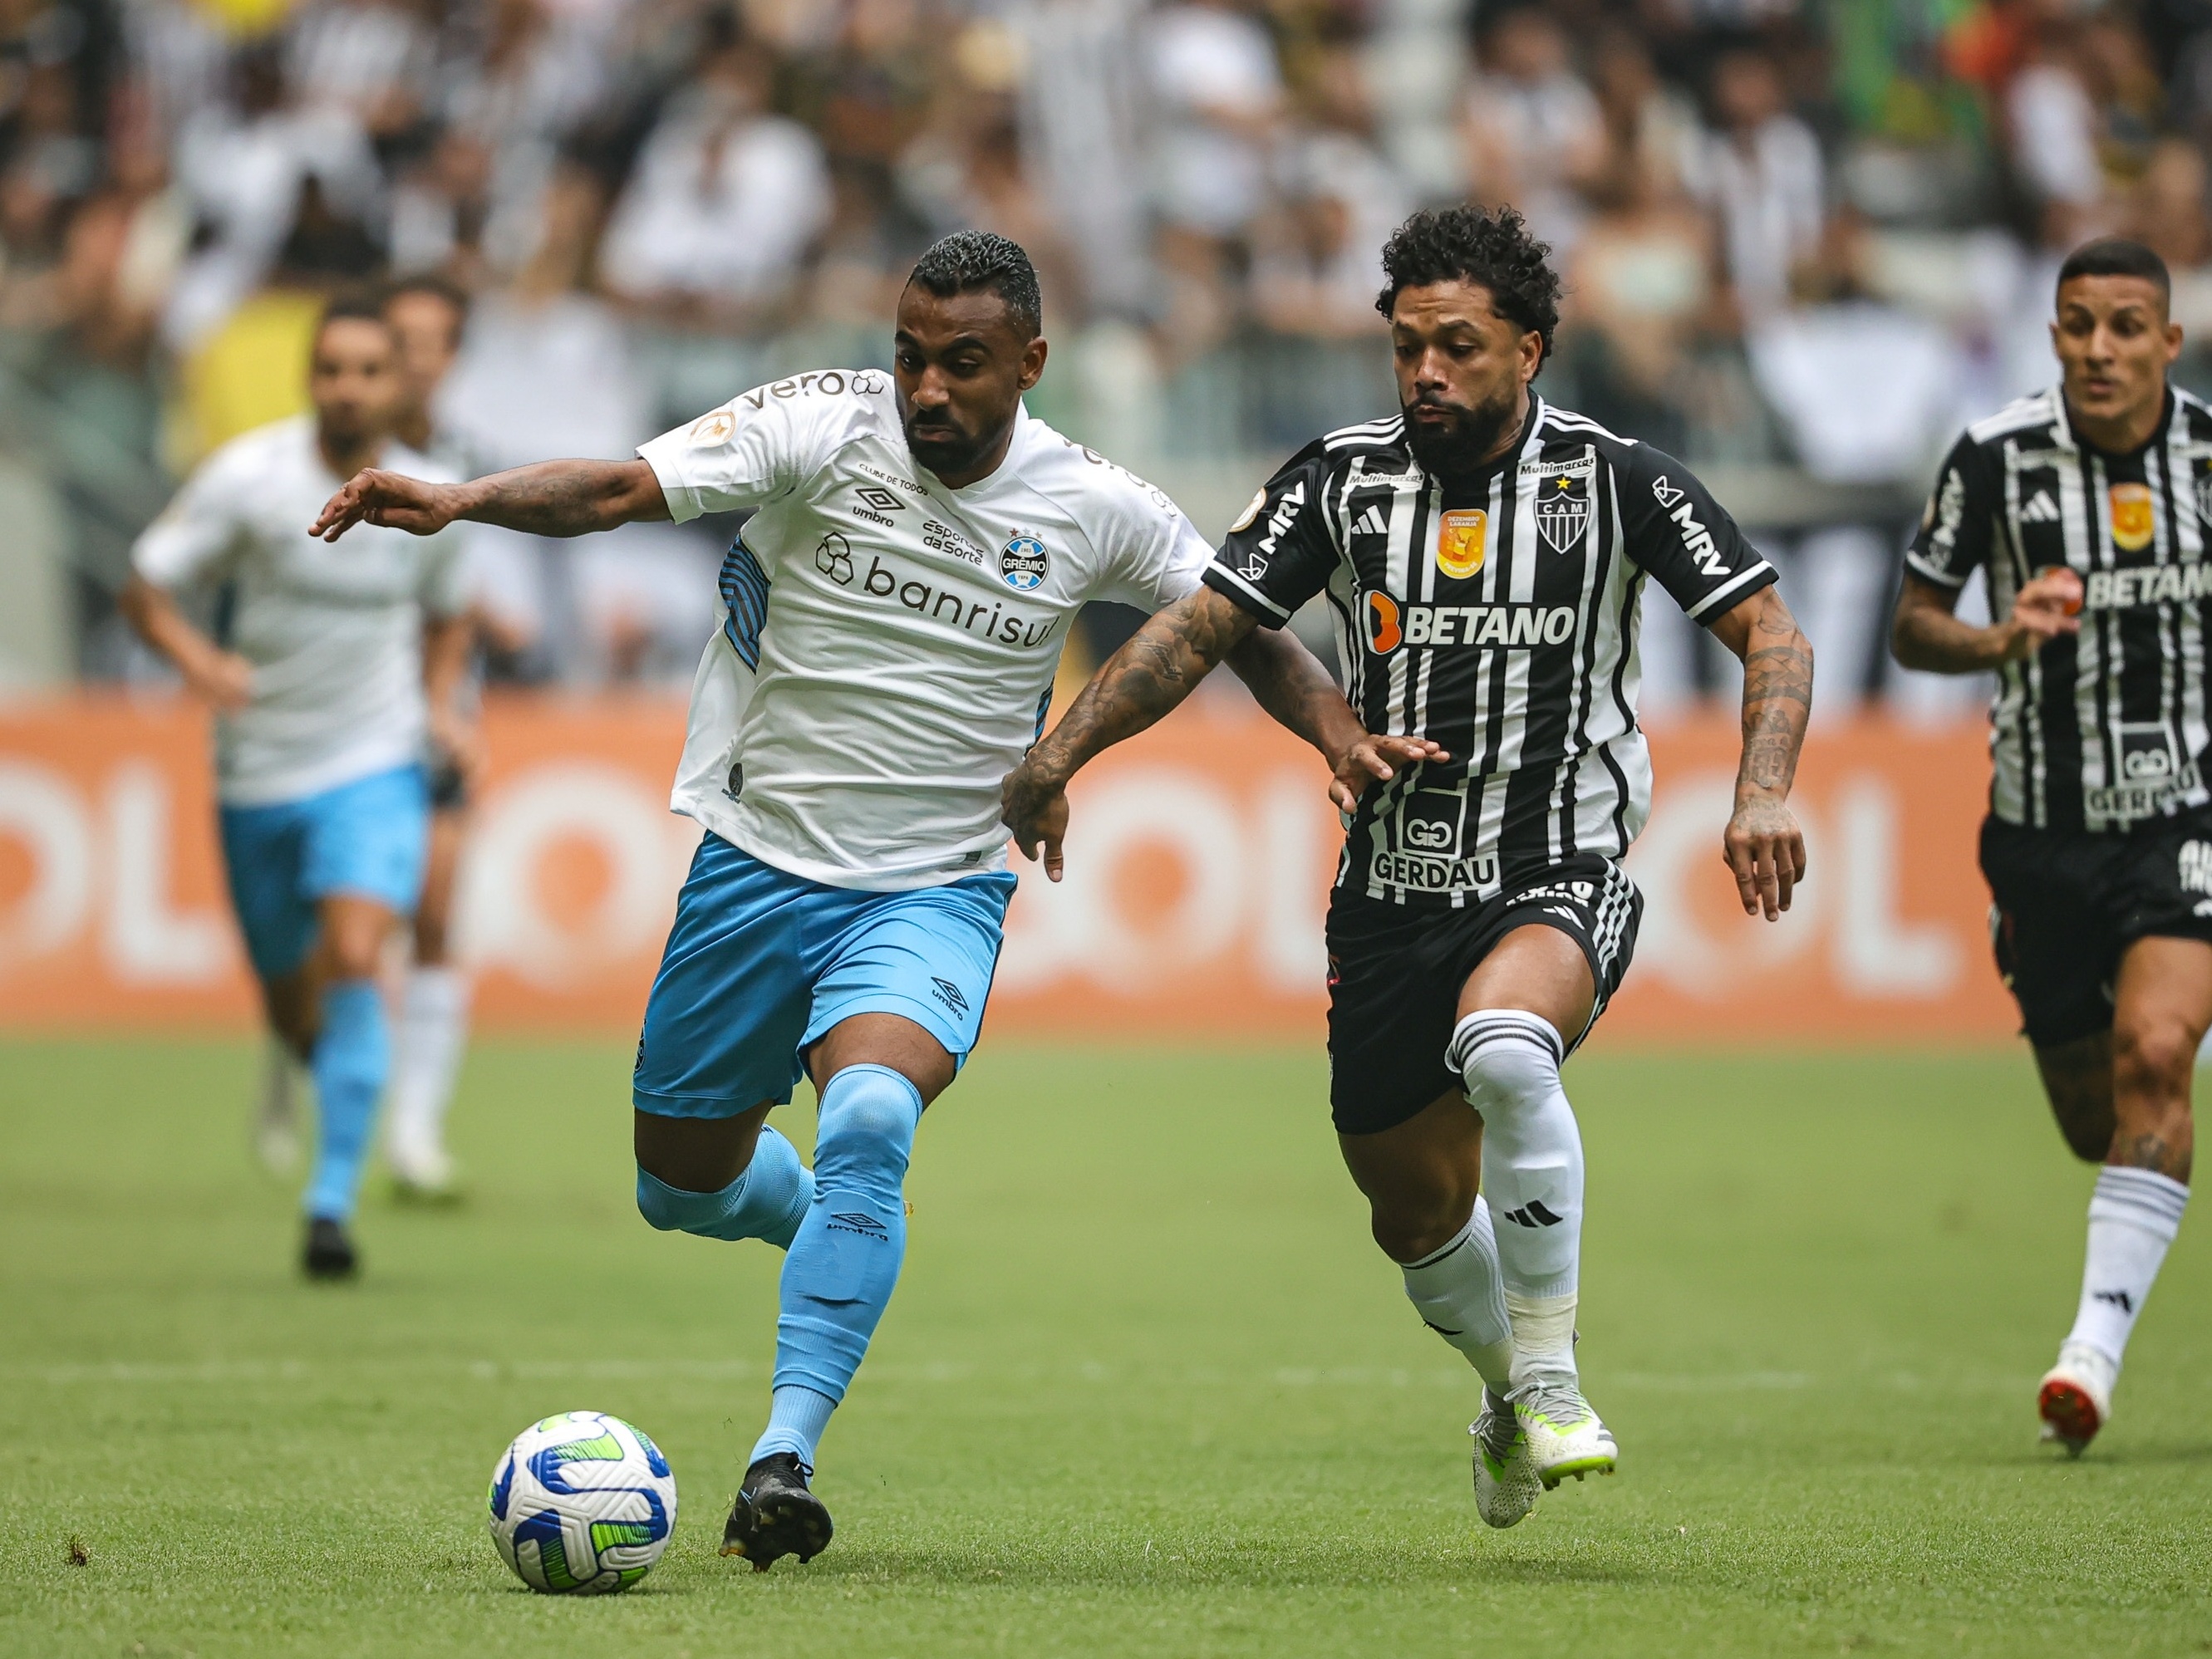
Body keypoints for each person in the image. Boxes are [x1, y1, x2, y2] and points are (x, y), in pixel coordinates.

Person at [307, 231, 1418, 1567]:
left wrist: (1339, 739)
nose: (925, 389)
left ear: (1030, 364)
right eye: (909, 355)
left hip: (931, 887)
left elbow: (1233, 621)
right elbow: (616, 487)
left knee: (875, 1113)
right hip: (754, 864)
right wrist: (461, 499)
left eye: (960, 364)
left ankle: (784, 1454)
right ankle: (828, 1214)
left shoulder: (1094, 502)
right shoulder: (819, 425)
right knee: (681, 1186)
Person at [1000, 205, 1813, 1529]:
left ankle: (1549, 1379)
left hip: (1562, 857)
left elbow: (1770, 631)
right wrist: (1057, 756)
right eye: (1407, 348)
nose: (1426, 372)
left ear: (1529, 350)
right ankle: (1503, 1392)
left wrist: (1762, 789)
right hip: (1389, 891)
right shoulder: (1337, 478)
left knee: (1505, 1047)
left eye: (1458, 347)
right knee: (1412, 1211)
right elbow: (1201, 627)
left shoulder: (1619, 480)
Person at [1890, 236, 2205, 1456]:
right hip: (2036, 834)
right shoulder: (1994, 457)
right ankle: (2132, 1166)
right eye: (2077, 323)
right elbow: (1913, 624)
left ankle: (2090, 1351)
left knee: (2157, 1050)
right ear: (2053, 334)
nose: (2098, 349)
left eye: (2126, 326)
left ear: (2167, 342)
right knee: (2094, 1121)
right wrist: (1998, 639)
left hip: (2183, 816)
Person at [120, 292, 473, 1279]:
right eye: (332, 370)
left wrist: (441, 708)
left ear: (394, 381)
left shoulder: (434, 492)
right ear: (310, 378)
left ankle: (330, 1209)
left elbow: (452, 615)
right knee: (295, 1001)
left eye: (369, 370)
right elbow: (144, 585)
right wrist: (201, 665)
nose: (349, 388)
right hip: (258, 770)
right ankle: (298, 1055)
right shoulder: (247, 478)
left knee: (361, 953)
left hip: (375, 758)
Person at [382, 273, 483, 1198]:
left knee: (436, 909)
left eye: (433, 340)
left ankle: (414, 1130)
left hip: (432, 717)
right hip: (342, 717)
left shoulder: (464, 464)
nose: (416, 359)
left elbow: (459, 610)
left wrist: (444, 706)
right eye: (398, 339)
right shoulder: (329, 456)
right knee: (343, 932)